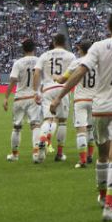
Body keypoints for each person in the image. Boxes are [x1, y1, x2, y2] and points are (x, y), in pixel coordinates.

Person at [50, 12, 112, 222]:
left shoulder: (98, 46)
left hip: (101, 107)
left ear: (108, 27)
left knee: (101, 155)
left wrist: (59, 97)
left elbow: (79, 72)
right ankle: (109, 207)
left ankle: (102, 196)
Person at [33, 33, 77, 163]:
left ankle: (42, 139)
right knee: (62, 121)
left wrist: (36, 91)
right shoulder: (70, 56)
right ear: (65, 43)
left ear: (53, 42)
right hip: (63, 88)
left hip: (47, 89)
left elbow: (36, 72)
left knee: (48, 119)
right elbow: (75, 73)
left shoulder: (44, 55)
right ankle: (59, 154)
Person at [54, 40, 98, 168]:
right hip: (96, 100)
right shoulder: (98, 62)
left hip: (81, 100)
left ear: (81, 50)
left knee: (81, 129)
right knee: (91, 129)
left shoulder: (77, 63)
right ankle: (90, 155)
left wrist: (55, 77)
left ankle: (83, 159)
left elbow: (63, 79)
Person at [2, 39, 41, 162]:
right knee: (35, 126)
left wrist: (6, 97)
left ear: (23, 50)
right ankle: (36, 154)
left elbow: (13, 80)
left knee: (16, 127)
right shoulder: (40, 61)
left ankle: (14, 155)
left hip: (19, 97)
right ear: (34, 48)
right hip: (34, 97)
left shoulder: (18, 63)